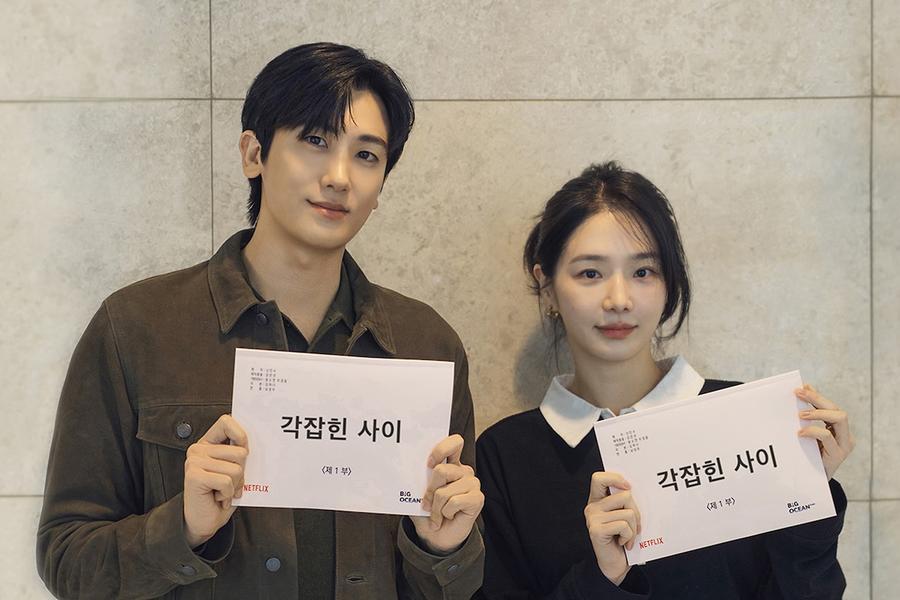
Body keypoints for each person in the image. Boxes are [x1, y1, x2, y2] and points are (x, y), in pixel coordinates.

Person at [37, 42, 484, 600]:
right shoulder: (136, 328)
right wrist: (185, 528)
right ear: (254, 154)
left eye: (367, 155)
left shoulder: (427, 345)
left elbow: (454, 587)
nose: (339, 177)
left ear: (381, 187)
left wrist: (443, 549)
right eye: (315, 141)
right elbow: (67, 561)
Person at [476, 161, 853, 599]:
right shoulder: (505, 455)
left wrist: (809, 492)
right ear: (547, 286)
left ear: (669, 282)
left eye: (643, 272)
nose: (619, 300)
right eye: (590, 273)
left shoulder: (746, 421)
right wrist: (602, 579)